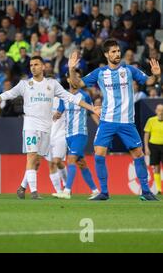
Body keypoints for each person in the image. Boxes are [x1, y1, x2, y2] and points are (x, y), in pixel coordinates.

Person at [0, 56, 99, 199]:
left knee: (37, 160)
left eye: (36, 64)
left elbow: (71, 98)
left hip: (46, 127)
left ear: (43, 67)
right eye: (31, 65)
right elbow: (9, 93)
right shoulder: (24, 84)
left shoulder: (52, 84)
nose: (33, 67)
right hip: (31, 124)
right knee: (32, 156)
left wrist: (92, 108)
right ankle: (34, 192)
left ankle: (22, 187)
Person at [68, 39, 161, 201]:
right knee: (99, 154)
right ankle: (104, 192)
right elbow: (77, 83)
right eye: (113, 52)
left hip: (127, 122)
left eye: (118, 51)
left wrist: (156, 75)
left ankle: (146, 191)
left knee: (138, 154)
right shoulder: (100, 73)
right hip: (107, 121)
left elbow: (149, 81)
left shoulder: (130, 69)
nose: (117, 54)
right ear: (106, 54)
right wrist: (71, 69)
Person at [53, 68, 100, 199]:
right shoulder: (64, 96)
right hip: (68, 135)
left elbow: (92, 112)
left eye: (79, 78)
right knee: (81, 163)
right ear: (68, 79)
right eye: (74, 77)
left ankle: (67, 191)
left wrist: (101, 126)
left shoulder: (84, 95)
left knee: (71, 159)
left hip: (80, 134)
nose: (77, 80)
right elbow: (59, 112)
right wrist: (54, 115)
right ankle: (95, 191)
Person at [44, 97, 68, 195]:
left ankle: (67, 186)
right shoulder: (42, 100)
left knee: (57, 161)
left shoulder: (62, 98)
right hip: (48, 135)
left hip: (61, 134)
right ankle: (59, 191)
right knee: (51, 164)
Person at [144, 104, 163, 195]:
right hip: (154, 145)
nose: (161, 112)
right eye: (159, 110)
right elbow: (146, 134)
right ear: (156, 111)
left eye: (162, 110)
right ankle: (159, 189)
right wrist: (146, 147)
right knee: (156, 167)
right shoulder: (151, 120)